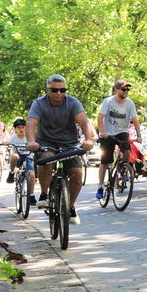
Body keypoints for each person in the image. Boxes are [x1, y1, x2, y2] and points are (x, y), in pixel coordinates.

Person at [26, 74, 96, 224]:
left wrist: (89, 139)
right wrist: (31, 141)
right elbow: (31, 123)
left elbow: (83, 121)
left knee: (77, 173)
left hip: (69, 144)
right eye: (54, 90)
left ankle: (70, 207)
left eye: (62, 90)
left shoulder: (73, 103)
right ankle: (44, 195)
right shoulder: (39, 103)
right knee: (46, 158)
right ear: (47, 90)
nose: (59, 93)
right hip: (46, 141)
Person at [96, 80, 141, 199]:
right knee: (105, 161)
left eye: (127, 90)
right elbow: (100, 117)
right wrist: (102, 132)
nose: (126, 92)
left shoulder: (129, 103)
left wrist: (139, 135)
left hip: (122, 132)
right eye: (123, 89)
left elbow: (135, 120)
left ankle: (122, 169)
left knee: (127, 151)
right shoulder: (108, 101)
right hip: (108, 134)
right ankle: (100, 186)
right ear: (116, 90)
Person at [6, 117, 37, 205]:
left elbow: (36, 142)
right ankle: (11, 173)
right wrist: (5, 143)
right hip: (18, 157)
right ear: (15, 129)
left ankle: (31, 195)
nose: (21, 129)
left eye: (23, 127)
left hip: (28, 157)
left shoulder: (29, 137)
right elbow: (7, 142)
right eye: (18, 127)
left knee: (31, 174)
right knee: (14, 156)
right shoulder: (13, 138)